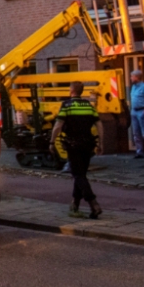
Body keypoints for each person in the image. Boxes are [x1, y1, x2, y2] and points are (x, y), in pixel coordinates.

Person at [50, 81, 102, 219]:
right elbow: (99, 125)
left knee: (78, 175)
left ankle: (93, 203)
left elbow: (57, 126)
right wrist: (101, 144)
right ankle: (75, 204)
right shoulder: (89, 106)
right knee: (81, 175)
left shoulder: (66, 105)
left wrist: (52, 142)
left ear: (71, 91)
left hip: (73, 145)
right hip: (88, 144)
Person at [129, 70, 144, 159]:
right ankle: (139, 151)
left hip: (142, 111)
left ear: (137, 77)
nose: (131, 78)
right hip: (134, 111)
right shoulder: (133, 87)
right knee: (136, 133)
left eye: (132, 76)